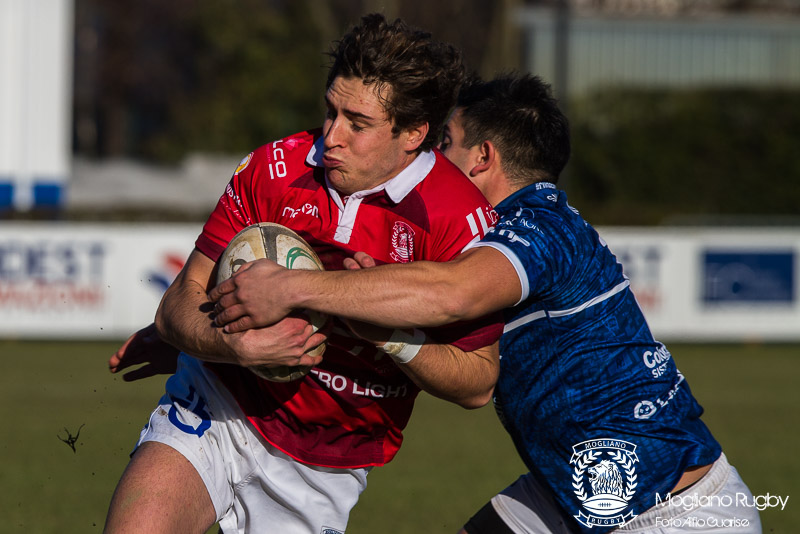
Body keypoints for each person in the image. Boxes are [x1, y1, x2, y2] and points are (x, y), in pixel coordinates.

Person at [209, 74, 762, 533]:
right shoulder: (485, 233)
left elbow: (452, 294)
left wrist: (295, 289)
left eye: (444, 141)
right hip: (578, 492)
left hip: (678, 510)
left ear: (482, 158)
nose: (430, 157)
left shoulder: (539, 225)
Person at [104, 14, 504, 534]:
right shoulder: (274, 169)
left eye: (357, 123)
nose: (331, 135)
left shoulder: (457, 219)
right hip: (221, 406)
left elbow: (476, 381)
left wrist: (385, 332)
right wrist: (233, 348)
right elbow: (177, 306)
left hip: (325, 463)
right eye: (330, 111)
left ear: (413, 134)